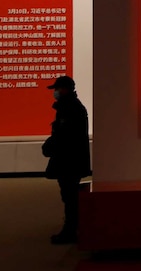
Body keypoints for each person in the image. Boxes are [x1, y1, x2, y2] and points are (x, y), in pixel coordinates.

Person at [41, 74, 91, 245]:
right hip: (71, 160)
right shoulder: (71, 107)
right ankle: (72, 228)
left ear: (64, 89)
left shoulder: (70, 109)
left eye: (56, 89)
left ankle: (70, 231)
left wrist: (49, 146)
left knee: (70, 197)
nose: (55, 92)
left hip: (69, 161)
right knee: (69, 196)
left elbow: (65, 136)